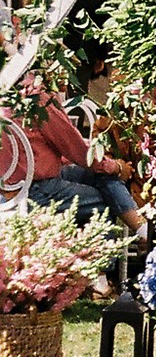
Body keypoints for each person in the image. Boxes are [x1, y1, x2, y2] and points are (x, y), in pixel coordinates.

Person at [18, 94, 146, 244]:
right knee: (102, 201)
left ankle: (142, 230)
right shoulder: (39, 99)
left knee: (99, 176)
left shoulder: (11, 94)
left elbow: (54, 150)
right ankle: (101, 264)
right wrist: (115, 167)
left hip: (16, 185)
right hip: (33, 191)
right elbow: (73, 148)